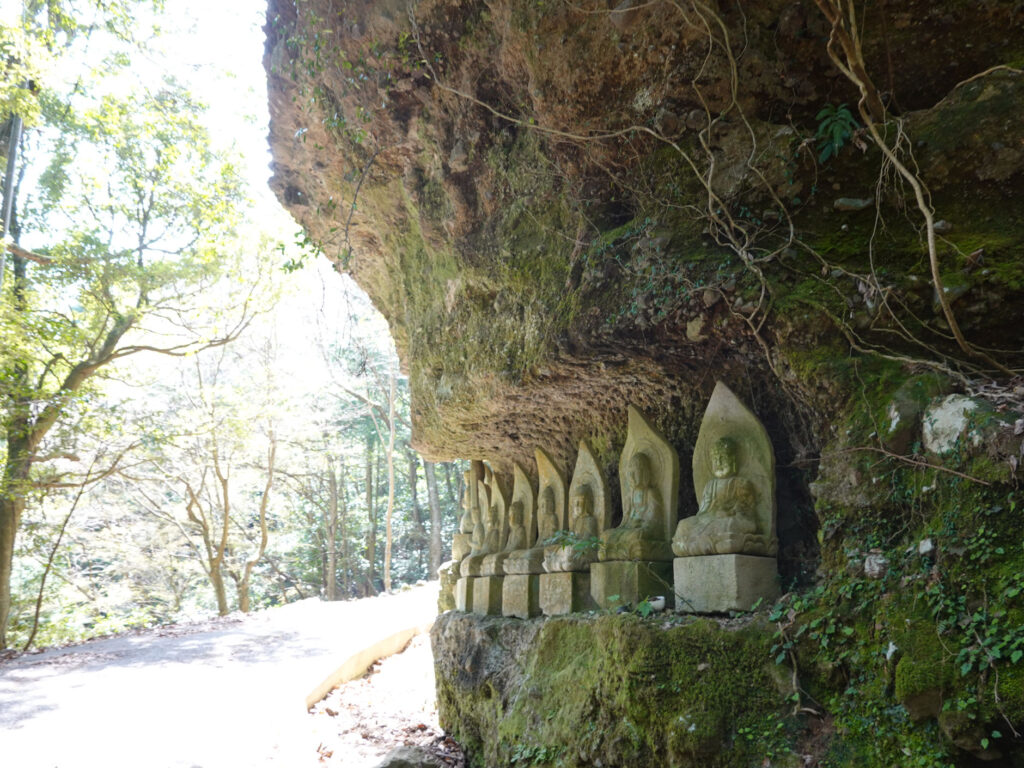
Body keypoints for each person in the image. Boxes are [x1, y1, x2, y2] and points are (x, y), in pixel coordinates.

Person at [672, 436, 760, 556]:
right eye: (715, 459)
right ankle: (703, 541)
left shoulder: (741, 484)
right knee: (683, 525)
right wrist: (713, 514)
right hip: (711, 520)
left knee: (728, 525)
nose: (718, 463)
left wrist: (728, 513)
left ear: (733, 460)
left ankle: (700, 543)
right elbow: (703, 512)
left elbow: (746, 513)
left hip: (731, 521)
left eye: (723, 458)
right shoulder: (710, 486)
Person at [600, 453, 664, 559]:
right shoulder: (631, 495)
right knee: (605, 536)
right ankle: (620, 549)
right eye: (631, 472)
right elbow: (626, 520)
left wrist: (640, 526)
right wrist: (624, 528)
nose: (633, 475)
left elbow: (655, 521)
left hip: (645, 530)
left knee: (637, 536)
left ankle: (621, 550)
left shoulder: (651, 493)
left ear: (645, 472)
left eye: (636, 470)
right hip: (631, 529)